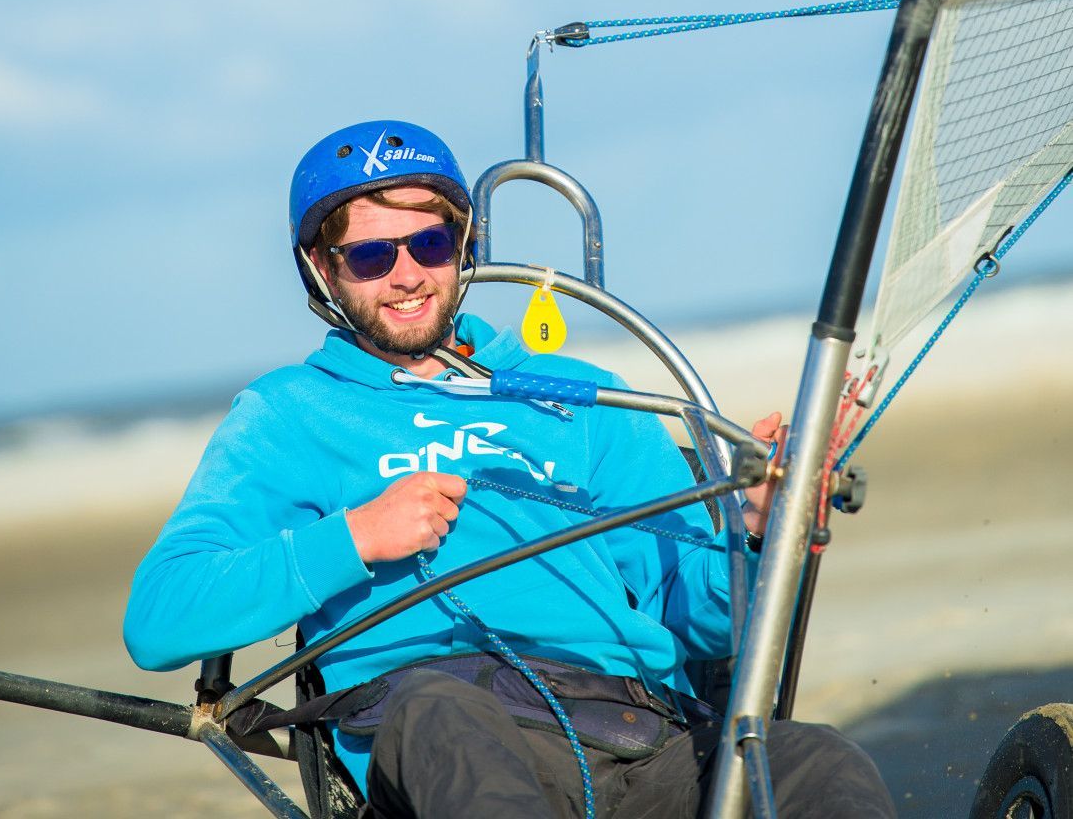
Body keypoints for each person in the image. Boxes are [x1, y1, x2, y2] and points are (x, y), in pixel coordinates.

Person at [124, 120, 895, 818]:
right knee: (439, 710)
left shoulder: (584, 399)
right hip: (445, 732)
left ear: (463, 248)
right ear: (323, 272)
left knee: (820, 763)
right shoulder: (287, 415)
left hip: (638, 735)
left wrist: (759, 528)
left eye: (428, 245)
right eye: (369, 255)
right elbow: (159, 621)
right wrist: (354, 536)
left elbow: (705, 619)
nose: (406, 274)